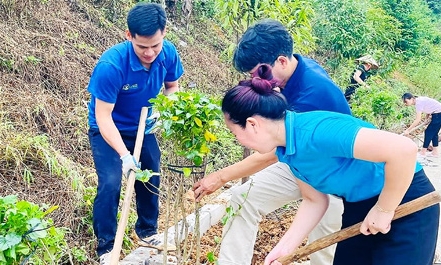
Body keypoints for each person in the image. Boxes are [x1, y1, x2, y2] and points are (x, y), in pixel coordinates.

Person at [219, 66, 439, 265]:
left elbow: (403, 150)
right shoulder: (286, 150)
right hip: (359, 206)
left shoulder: (317, 131)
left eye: (235, 133)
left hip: (406, 199)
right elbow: (314, 200)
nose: (237, 140)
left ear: (252, 124)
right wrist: (284, 249)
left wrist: (384, 209)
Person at [193, 19, 351, 265]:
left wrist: (221, 176)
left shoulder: (311, 96)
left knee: (323, 246)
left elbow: (270, 153)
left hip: (335, 173)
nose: (256, 80)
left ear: (282, 61)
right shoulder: (294, 69)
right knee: (243, 199)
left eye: (259, 72)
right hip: (299, 161)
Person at [86, 2, 184, 264]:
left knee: (150, 174)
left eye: (156, 45)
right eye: (142, 47)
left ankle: (147, 231)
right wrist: (124, 155)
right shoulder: (112, 65)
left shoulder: (168, 53)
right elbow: (103, 116)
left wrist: (167, 107)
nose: (150, 52)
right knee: (111, 181)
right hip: (108, 130)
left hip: (144, 125)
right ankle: (106, 247)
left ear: (164, 34)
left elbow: (172, 86)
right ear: (129, 36)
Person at [402, 93, 441, 158]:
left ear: (411, 98)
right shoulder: (419, 100)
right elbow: (428, 108)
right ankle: (435, 152)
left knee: (428, 132)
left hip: (438, 114)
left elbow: (418, 119)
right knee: (434, 133)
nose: (405, 103)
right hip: (437, 114)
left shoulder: (418, 103)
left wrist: (408, 130)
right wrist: (426, 118)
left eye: (406, 101)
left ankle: (423, 152)